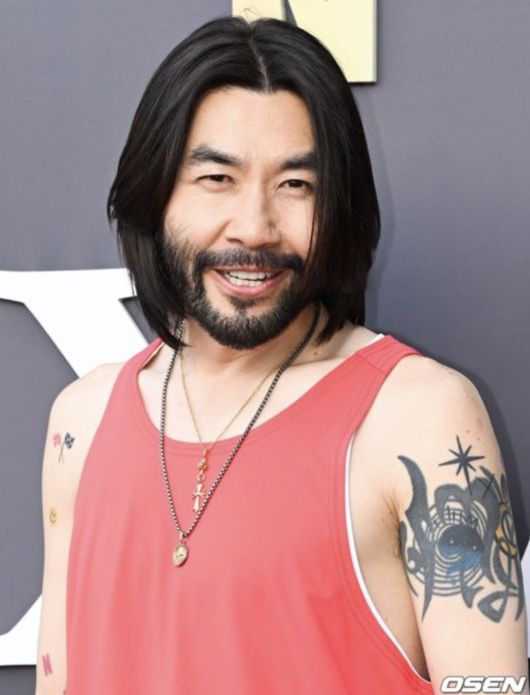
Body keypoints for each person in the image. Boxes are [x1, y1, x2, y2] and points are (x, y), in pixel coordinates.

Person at [35, 15, 528, 695]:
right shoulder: (80, 422)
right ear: (156, 193)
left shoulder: (417, 418)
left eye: (296, 185)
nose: (255, 227)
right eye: (217, 178)